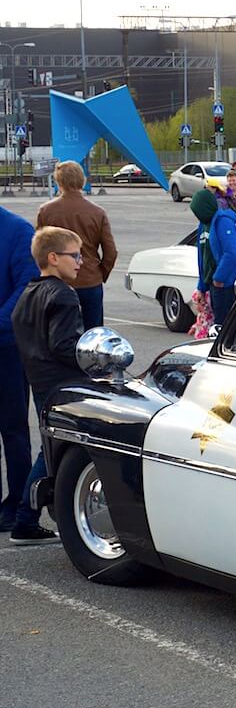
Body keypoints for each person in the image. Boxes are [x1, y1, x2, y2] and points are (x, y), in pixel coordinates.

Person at [10, 226, 90, 545]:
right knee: (53, 450)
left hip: (38, 378)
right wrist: (93, 359)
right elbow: (63, 344)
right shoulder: (63, 295)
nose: (80, 262)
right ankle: (26, 519)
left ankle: (37, 514)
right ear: (53, 258)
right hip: (61, 382)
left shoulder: (30, 290)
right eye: (75, 255)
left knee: (51, 447)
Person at [35, 160, 117, 330]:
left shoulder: (46, 211)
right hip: (89, 280)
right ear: (82, 180)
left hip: (56, 282)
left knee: (58, 333)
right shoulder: (97, 212)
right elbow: (110, 252)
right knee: (92, 336)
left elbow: (39, 250)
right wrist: (99, 273)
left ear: (59, 182)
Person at [0, 206, 37, 534]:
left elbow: (26, 286)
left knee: (12, 429)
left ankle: (16, 505)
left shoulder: (17, 230)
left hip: (7, 347)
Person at [190, 187, 236, 326]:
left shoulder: (223, 222)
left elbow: (231, 253)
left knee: (227, 325)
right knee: (217, 324)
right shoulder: (203, 226)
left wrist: (219, 278)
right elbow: (203, 257)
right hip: (213, 284)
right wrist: (201, 287)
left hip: (227, 285)